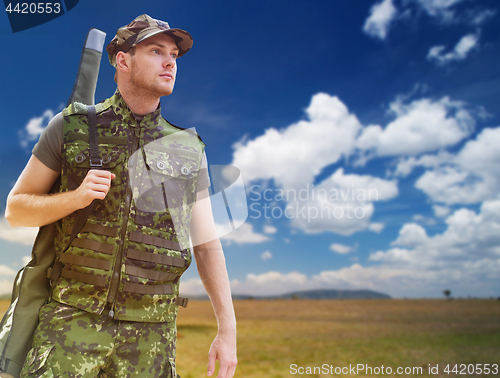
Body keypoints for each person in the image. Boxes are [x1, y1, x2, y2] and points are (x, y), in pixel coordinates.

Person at [5, 14, 237, 378]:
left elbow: (206, 245)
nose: (170, 61)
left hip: (151, 341)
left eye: (174, 54)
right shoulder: (71, 127)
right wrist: (75, 198)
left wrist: (228, 331)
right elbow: (16, 210)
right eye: (156, 50)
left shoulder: (189, 149)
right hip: (70, 327)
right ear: (123, 61)